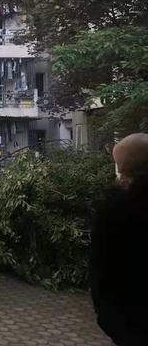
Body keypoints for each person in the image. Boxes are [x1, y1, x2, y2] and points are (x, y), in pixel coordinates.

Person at [90, 133, 148, 346]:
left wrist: (110, 319)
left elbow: (102, 269)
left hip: (133, 322)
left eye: (120, 169)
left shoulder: (116, 210)